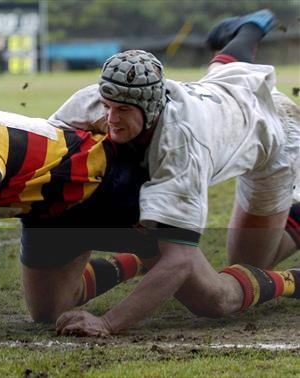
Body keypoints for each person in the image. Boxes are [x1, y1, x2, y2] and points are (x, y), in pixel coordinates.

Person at [0, 106, 298, 335]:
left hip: (105, 190)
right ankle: (137, 263)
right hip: (47, 210)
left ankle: (293, 270)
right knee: (48, 314)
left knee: (212, 300)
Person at [49, 9, 300, 336]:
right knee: (225, 70)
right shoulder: (100, 99)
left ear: (151, 108)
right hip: (225, 89)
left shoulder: (181, 145)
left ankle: (294, 272)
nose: (109, 117)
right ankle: (250, 27)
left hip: (276, 133)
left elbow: (179, 259)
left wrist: (109, 322)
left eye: (122, 110)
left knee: (247, 264)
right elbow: (45, 145)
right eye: (107, 106)